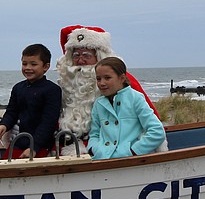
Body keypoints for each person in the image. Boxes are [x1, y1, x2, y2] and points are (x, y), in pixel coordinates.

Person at [56, 24, 160, 155]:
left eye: (86, 55)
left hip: (123, 150)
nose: (80, 60)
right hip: (86, 149)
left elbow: (152, 123)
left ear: (99, 56)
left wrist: (134, 150)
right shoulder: (68, 84)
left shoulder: (124, 82)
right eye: (76, 55)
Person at [88, 57, 165, 159]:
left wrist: (133, 151)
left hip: (130, 162)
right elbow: (94, 134)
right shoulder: (98, 104)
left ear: (122, 78)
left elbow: (157, 131)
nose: (102, 83)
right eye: (98, 79)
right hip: (101, 160)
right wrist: (94, 150)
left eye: (107, 78)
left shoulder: (135, 98)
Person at [0, 43, 62, 158]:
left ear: (45, 67)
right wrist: (4, 125)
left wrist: (34, 147)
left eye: (33, 64)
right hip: (19, 142)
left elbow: (48, 122)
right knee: (4, 167)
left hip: (41, 145)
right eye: (24, 63)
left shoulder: (52, 90)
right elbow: (12, 112)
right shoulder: (18, 88)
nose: (28, 68)